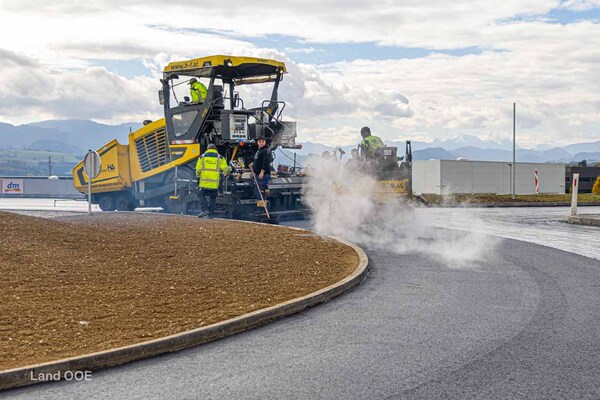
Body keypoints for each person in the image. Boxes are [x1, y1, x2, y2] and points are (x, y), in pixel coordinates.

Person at [195, 144, 230, 218]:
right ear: (215, 149)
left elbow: (198, 169)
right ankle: (210, 214)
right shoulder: (220, 157)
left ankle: (205, 210)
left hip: (204, 182)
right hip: (214, 183)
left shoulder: (202, 157)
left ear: (207, 149)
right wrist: (231, 169)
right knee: (213, 198)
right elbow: (225, 169)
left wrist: (198, 176)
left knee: (200, 194)